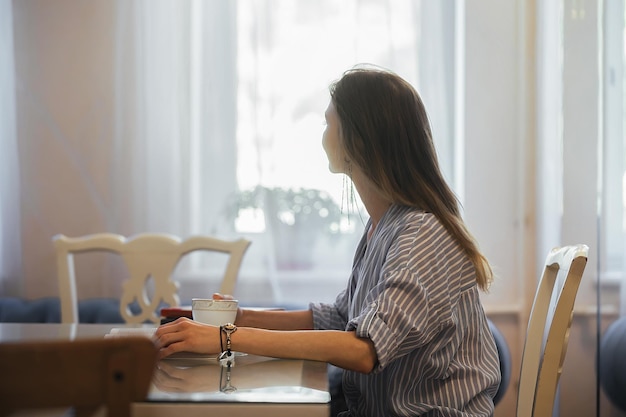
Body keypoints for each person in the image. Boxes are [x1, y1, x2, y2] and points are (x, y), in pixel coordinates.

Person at [154, 65, 502, 417]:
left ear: (359, 140)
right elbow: (340, 317)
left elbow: (364, 349)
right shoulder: (383, 226)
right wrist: (242, 317)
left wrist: (226, 337)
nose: (322, 136)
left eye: (327, 122)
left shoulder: (421, 235)